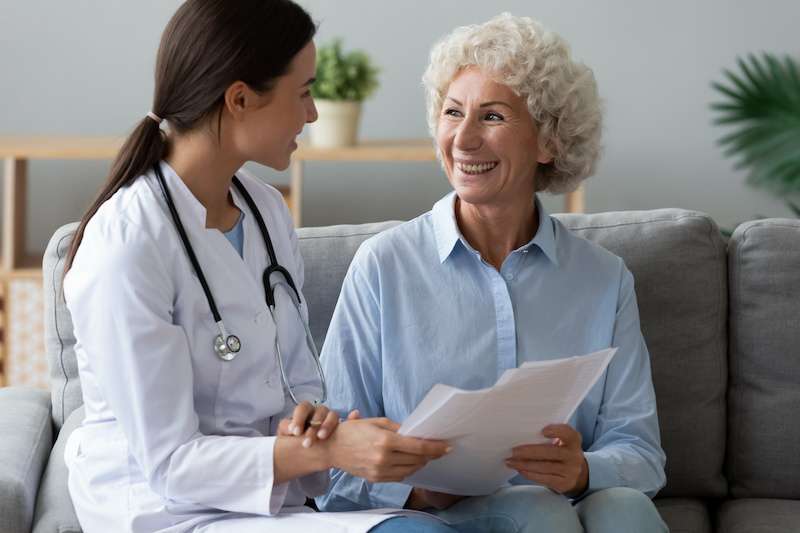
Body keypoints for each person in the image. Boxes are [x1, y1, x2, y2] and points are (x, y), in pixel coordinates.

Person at [62, 1, 453, 531]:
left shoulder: (265, 211)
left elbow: (295, 388)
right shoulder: (127, 243)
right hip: (165, 511)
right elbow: (171, 464)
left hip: (264, 503)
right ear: (241, 99)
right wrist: (329, 452)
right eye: (304, 92)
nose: (312, 114)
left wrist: (316, 427)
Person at [317, 13, 669, 532]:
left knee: (626, 509)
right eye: (452, 112)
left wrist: (581, 471)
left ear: (548, 141)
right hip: (431, 517)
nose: (463, 139)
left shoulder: (603, 279)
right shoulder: (383, 265)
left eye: (493, 117)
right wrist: (413, 486)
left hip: (561, 509)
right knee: (541, 512)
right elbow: (328, 462)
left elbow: (640, 452)